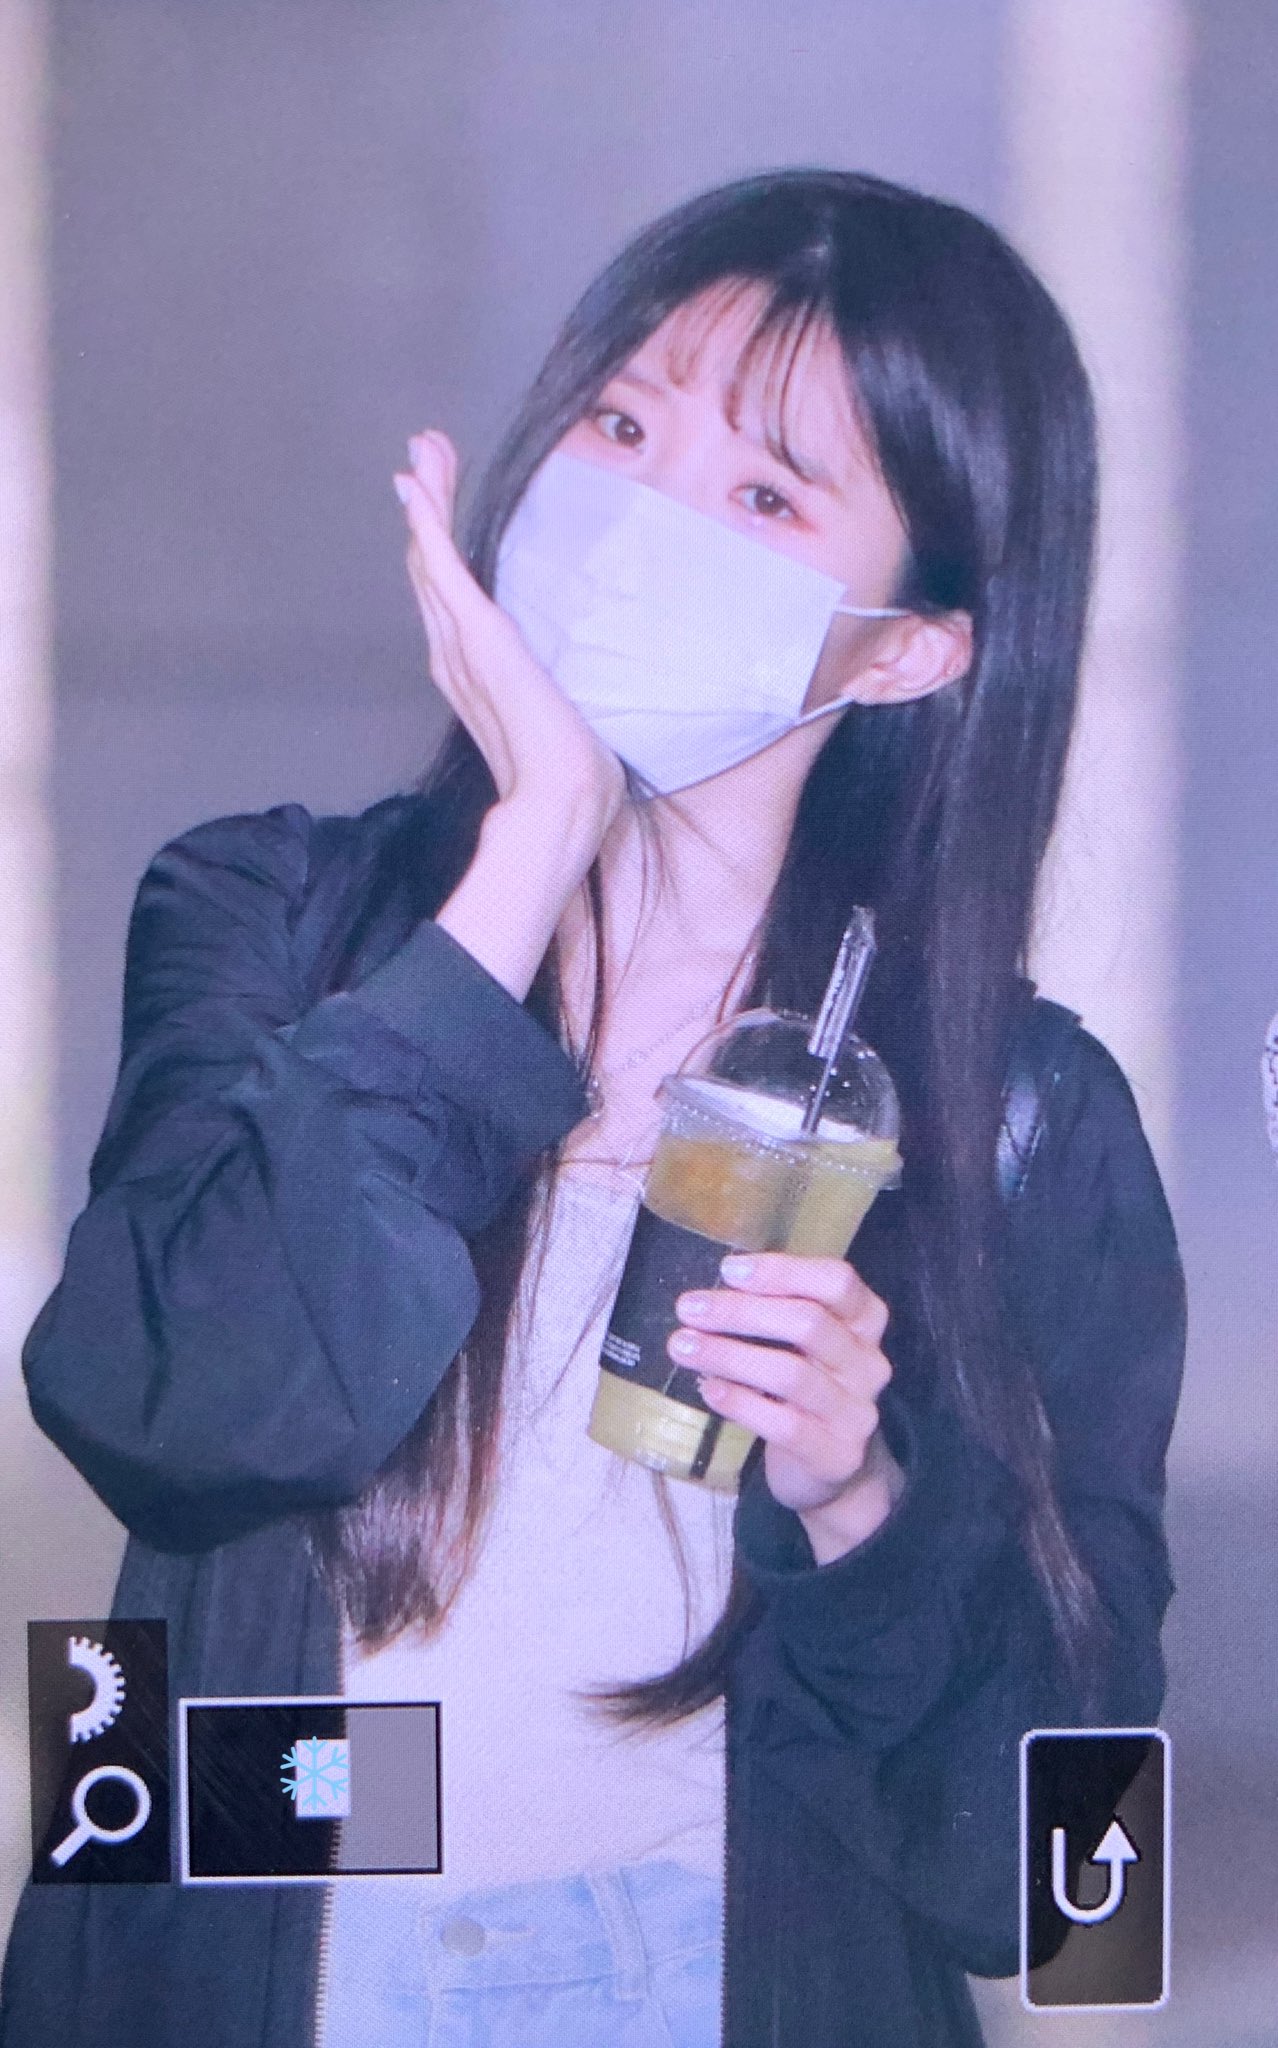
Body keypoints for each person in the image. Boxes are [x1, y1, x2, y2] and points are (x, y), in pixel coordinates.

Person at [1, 170, 1184, 2048]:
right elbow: (161, 1420)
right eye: (622, 428)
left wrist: (863, 1502)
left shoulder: (1023, 1116)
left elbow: (1069, 1899)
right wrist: (527, 852)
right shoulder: (267, 910)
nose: (643, 516)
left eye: (764, 495)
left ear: (907, 648)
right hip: (264, 1964)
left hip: (715, 1977)